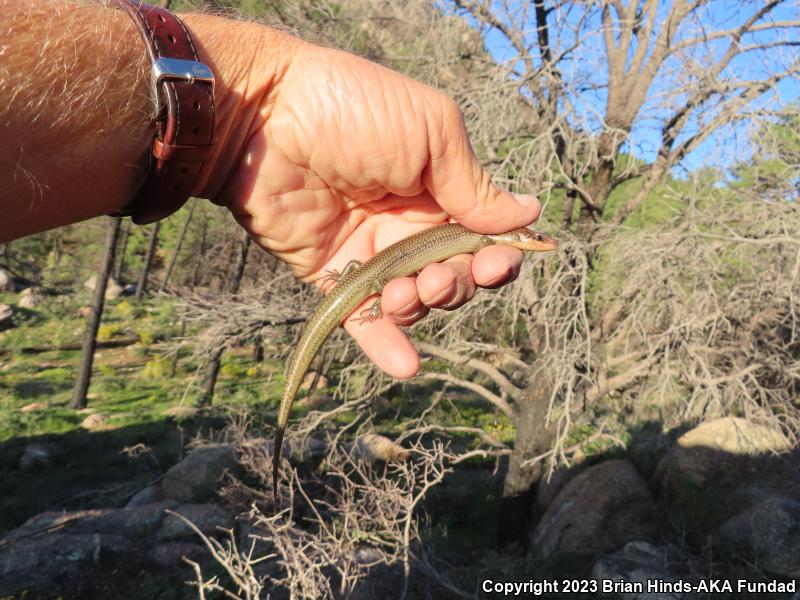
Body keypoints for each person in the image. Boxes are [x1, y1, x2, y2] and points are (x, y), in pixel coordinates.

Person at [1, 1, 542, 378]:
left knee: (393, 292)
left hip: (366, 277)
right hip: (367, 278)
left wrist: (248, 113)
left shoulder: (465, 238)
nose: (530, 238)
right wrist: (254, 105)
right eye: (529, 237)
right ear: (514, 233)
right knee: (390, 292)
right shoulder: (479, 231)